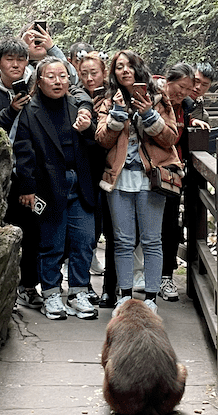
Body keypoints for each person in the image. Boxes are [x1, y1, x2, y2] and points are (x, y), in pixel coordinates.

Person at [96, 50, 181, 313]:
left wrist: (149, 115)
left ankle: (151, 298)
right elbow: (102, 140)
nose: (125, 70)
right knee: (122, 241)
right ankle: (124, 295)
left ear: (138, 69)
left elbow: (170, 138)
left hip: (151, 178)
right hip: (119, 178)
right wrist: (117, 115)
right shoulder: (109, 101)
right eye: (119, 66)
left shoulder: (157, 98)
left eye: (130, 66)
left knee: (152, 239)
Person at [14, 58, 99, 319]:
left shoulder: (78, 106)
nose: (58, 81)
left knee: (84, 240)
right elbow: (23, 151)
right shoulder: (30, 110)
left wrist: (88, 130)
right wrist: (27, 188)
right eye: (50, 76)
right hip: (48, 184)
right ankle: (51, 293)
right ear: (39, 81)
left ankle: (78, 291)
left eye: (62, 76)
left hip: (80, 182)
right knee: (51, 241)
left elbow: (95, 145)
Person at [0, 39, 41, 309]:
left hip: (26, 172)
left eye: (21, 59)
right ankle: (2, 291)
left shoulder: (35, 86)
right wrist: (11, 111)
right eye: (9, 59)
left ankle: (28, 287)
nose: (16, 64)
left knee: (30, 232)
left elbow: (66, 76)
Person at [76, 50, 117, 308]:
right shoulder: (75, 98)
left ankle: (110, 290)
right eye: (84, 74)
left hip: (110, 172)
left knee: (112, 232)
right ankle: (84, 286)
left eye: (95, 73)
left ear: (104, 73)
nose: (90, 78)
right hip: (85, 173)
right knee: (88, 233)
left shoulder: (113, 99)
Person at [155, 64, 198, 302]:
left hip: (172, 175)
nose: (183, 93)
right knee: (146, 229)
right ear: (168, 81)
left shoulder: (186, 109)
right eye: (181, 87)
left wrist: (193, 124)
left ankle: (165, 277)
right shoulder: (154, 98)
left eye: (188, 89)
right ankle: (141, 278)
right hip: (149, 170)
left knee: (170, 228)